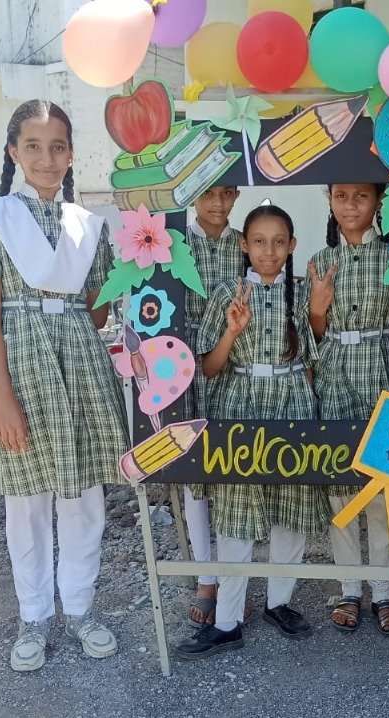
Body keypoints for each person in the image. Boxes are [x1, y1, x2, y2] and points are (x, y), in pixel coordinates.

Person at [0, 99, 126, 673]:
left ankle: (79, 608)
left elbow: (98, 310)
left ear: (71, 154)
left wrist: (138, 268)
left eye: (58, 147)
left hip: (79, 363)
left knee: (82, 497)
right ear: (13, 151)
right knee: (26, 499)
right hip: (21, 365)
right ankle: (33, 615)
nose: (46, 158)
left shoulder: (88, 224)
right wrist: (1, 397)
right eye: (32, 146)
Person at [177, 204, 323, 660]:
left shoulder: (301, 293)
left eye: (279, 242)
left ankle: (279, 602)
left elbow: (312, 358)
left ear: (292, 246)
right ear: (244, 245)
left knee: (290, 504)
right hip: (239, 404)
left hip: (293, 403)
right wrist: (231, 332)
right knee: (236, 510)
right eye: (259, 241)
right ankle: (227, 620)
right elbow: (209, 367)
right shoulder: (228, 291)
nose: (269, 251)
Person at [307, 183, 389, 636]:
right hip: (334, 374)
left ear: (378, 202)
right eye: (341, 196)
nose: (351, 205)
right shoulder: (318, 261)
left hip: (382, 372)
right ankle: (349, 586)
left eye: (361, 196)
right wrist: (317, 311)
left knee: (384, 483)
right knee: (339, 484)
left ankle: (385, 590)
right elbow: (309, 334)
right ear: (329, 200)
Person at [181, 184, 243, 628]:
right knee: (194, 473)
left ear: (236, 196)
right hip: (183, 366)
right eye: (207, 194)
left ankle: (235, 578)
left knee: (233, 468)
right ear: (191, 197)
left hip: (235, 364)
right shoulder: (173, 245)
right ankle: (206, 577)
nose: (217, 203)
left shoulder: (246, 245)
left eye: (225, 193)